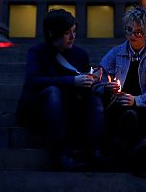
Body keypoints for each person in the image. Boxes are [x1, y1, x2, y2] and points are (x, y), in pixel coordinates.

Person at [16, 9, 104, 170]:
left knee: (95, 97)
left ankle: (93, 150)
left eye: (74, 31)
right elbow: (33, 81)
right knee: (53, 93)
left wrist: (92, 80)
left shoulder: (80, 54)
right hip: (40, 108)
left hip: (71, 108)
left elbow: (83, 84)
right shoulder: (37, 52)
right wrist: (71, 81)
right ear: (53, 34)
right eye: (67, 33)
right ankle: (58, 153)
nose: (72, 37)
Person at [96, 5, 146, 166]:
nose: (132, 35)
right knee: (119, 113)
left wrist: (136, 100)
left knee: (143, 116)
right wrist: (106, 87)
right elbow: (99, 77)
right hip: (118, 105)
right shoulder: (116, 53)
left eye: (138, 32)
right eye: (129, 30)